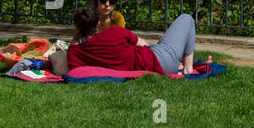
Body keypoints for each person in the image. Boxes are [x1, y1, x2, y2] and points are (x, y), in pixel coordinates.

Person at [66, 7, 198, 76]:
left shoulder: (73, 53)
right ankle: (188, 68)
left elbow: (74, 65)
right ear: (99, 24)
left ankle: (181, 62)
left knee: (163, 43)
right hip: (160, 60)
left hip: (157, 61)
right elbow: (144, 45)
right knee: (186, 18)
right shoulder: (114, 32)